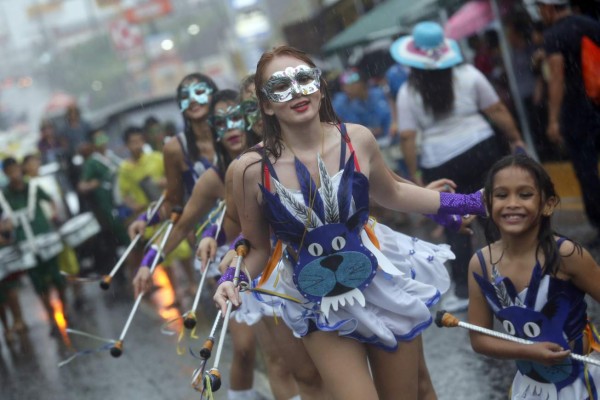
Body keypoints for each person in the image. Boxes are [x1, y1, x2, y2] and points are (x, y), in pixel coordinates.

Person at [214, 45, 488, 399]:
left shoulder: (356, 138)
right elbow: (255, 248)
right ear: (266, 104)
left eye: (304, 79)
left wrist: (469, 202)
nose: (297, 92)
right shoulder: (249, 170)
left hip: (379, 284)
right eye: (281, 87)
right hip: (315, 296)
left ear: (320, 86)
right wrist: (230, 279)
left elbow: (394, 194)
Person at [391, 21, 526, 312]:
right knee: (495, 213)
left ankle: (465, 289)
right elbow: (496, 109)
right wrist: (516, 139)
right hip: (483, 151)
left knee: (456, 224)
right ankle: (514, 276)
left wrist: (415, 174)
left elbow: (407, 136)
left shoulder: (408, 92)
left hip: (441, 165)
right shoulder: (468, 74)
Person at [467, 154, 600, 399]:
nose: (512, 203)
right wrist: (528, 351)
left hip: (584, 380)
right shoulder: (481, 263)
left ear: (548, 204)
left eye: (525, 195)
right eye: (501, 195)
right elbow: (479, 339)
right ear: (487, 204)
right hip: (533, 384)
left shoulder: (566, 254)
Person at [536, 0, 600, 245]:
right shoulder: (590, 23)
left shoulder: (554, 35)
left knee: (586, 170)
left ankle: (598, 219)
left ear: (549, 8)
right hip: (597, 103)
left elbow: (557, 79)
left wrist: (553, 119)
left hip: (577, 112)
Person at [119, 126, 194, 302]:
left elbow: (173, 179)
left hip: (166, 211)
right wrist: (134, 205)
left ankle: (191, 283)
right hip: (148, 217)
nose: (136, 145)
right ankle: (175, 291)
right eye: (132, 143)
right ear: (126, 146)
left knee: (182, 250)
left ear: (144, 141)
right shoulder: (125, 169)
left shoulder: (157, 158)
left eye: (139, 141)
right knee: (161, 256)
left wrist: (163, 183)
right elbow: (124, 194)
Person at [0, 157, 67, 335]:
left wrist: (53, 216)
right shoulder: (3, 195)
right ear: (5, 174)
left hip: (44, 238)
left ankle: (64, 313)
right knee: (39, 285)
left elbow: (51, 201)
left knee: (57, 278)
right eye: (10, 171)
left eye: (16, 169)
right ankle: (52, 319)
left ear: (20, 169)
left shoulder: (33, 187)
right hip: (24, 244)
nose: (15, 174)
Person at [78, 132, 129, 275]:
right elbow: (82, 185)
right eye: (98, 140)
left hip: (123, 200)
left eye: (104, 138)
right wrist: (93, 185)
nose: (103, 142)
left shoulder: (111, 156)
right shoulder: (92, 162)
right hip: (108, 206)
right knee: (125, 239)